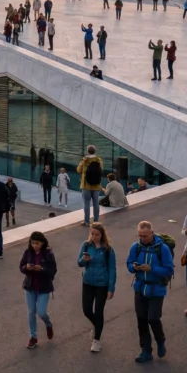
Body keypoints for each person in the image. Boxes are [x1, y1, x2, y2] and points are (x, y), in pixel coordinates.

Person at [126, 221, 174, 363]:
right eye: (140, 236)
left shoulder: (163, 249)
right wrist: (134, 267)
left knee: (153, 318)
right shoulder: (136, 247)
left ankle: (160, 340)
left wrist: (151, 269)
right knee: (141, 320)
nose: (142, 239)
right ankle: (146, 350)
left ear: (152, 233)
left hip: (156, 289)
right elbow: (129, 263)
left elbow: (169, 269)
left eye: (145, 236)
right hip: (140, 288)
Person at [78, 222, 116, 352]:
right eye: (92, 233)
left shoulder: (108, 250)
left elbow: (112, 269)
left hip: (102, 284)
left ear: (102, 235)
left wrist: (111, 288)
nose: (94, 236)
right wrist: (85, 260)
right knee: (86, 310)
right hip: (88, 282)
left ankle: (96, 340)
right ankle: (96, 324)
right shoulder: (86, 245)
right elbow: (79, 262)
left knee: (99, 312)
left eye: (96, 234)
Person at [20, 232, 57, 349]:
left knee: (41, 312)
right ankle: (33, 337)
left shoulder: (48, 254)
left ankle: (48, 323)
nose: (35, 245)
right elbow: (21, 267)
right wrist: (27, 267)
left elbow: (53, 270)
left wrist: (41, 269)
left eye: (37, 243)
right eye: (33, 243)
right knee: (31, 312)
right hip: (30, 287)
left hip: (44, 288)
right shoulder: (28, 252)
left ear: (42, 243)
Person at [77, 146, 104, 226]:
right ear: (94, 151)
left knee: (87, 203)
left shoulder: (85, 160)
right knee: (96, 203)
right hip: (96, 185)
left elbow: (78, 170)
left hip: (86, 185)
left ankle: (87, 221)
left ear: (88, 151)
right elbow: (101, 170)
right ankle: (96, 221)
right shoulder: (99, 160)